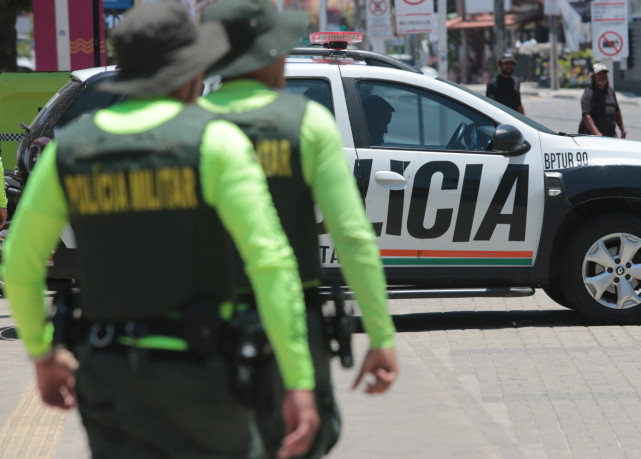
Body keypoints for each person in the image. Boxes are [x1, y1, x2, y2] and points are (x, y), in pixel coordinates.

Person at [1, 3, 318, 458]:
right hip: (208, 375)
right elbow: (271, 264)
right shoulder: (217, 142)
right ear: (190, 73)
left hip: (109, 379)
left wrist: (42, 355)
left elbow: (20, 264)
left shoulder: (69, 151)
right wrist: (299, 379)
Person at [199, 0, 398, 458]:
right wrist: (380, 336)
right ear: (268, 53)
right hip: (291, 323)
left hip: (203, 328)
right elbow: (351, 237)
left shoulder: (188, 125)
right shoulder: (305, 123)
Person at [578, 63, 627, 138]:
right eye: (599, 74)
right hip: (592, 136)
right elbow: (586, 116)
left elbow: (617, 112)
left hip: (610, 135)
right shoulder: (589, 93)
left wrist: (622, 130)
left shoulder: (610, 91)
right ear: (593, 77)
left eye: (604, 74)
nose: (602, 76)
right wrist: (597, 134)